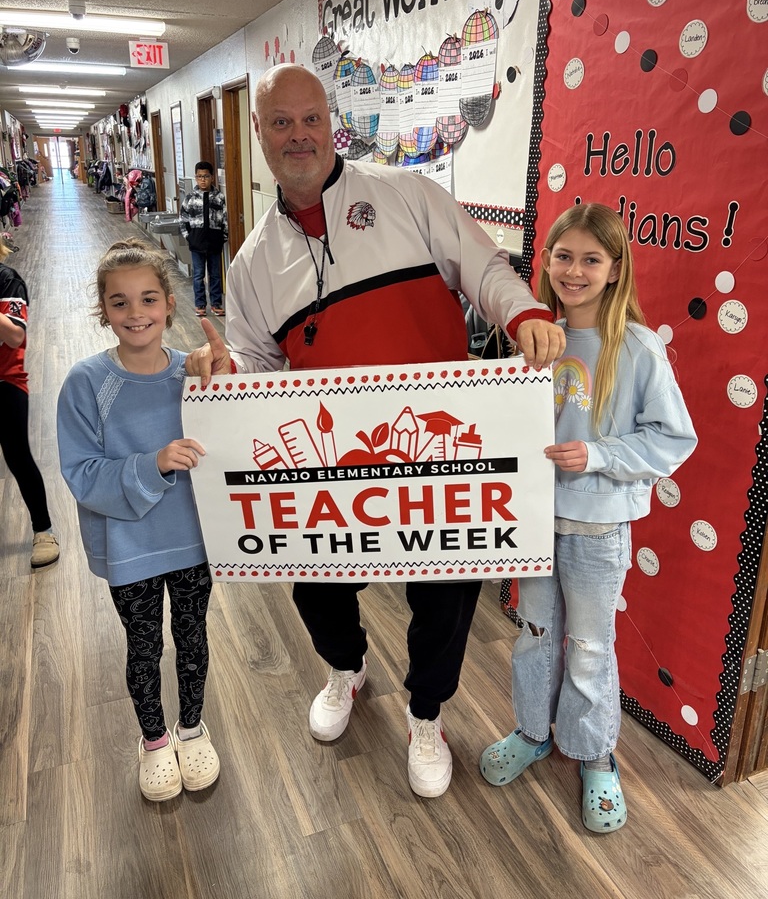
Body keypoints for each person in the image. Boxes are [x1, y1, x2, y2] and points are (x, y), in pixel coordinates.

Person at [186, 63, 565, 799]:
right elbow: (257, 375)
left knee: (448, 589)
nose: (299, 134)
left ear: (333, 123)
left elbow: (481, 266)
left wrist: (521, 313)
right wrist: (222, 380)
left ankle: (427, 712)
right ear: (259, 135)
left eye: (310, 118)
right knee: (316, 582)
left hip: (438, 444)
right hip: (331, 459)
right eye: (281, 122)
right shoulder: (252, 264)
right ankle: (347, 667)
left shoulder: (407, 194)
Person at [479, 202, 697, 832]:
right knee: (536, 632)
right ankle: (531, 730)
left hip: (596, 529)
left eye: (591, 259)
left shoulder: (637, 347)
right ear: (545, 261)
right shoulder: (530, 339)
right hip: (529, 522)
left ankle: (594, 752)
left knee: (591, 645)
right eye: (563, 256)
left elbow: (673, 438)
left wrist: (598, 453)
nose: (574, 270)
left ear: (614, 266)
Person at [57, 239, 220, 803]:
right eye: (120, 302)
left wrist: (221, 372)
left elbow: (236, 431)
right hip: (130, 548)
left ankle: (193, 726)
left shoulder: (192, 374)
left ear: (168, 304)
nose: (136, 313)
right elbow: (81, 472)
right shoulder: (86, 382)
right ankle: (154, 740)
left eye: (148, 298)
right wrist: (151, 465)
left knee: (193, 636)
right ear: (103, 310)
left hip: (196, 541)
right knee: (144, 645)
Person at [0, 239, 60, 568]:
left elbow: (15, 336)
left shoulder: (7, 279)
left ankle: (44, 530)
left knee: (18, 456)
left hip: (5, 383)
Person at [179, 161, 228, 318]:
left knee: (215, 274)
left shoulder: (219, 198)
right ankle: (200, 304)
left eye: (206, 176)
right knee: (199, 275)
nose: (203, 180)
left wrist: (223, 237)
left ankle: (216, 304)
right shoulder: (190, 198)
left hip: (214, 241)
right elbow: (183, 219)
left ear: (212, 177)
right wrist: (189, 237)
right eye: (199, 177)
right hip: (197, 242)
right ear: (195, 178)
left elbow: (225, 219)